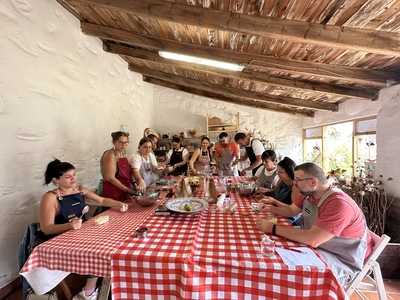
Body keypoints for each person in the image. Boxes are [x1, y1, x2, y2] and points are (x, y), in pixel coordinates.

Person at [257, 162, 375, 287]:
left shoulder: (338, 203)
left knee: (280, 274)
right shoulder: (310, 195)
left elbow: (313, 239)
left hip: (341, 261)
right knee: (271, 258)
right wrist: (270, 208)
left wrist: (273, 228)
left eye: (297, 180)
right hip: (317, 249)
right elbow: (292, 210)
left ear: (313, 182)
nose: (294, 183)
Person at [40, 159, 128, 300]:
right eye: (68, 177)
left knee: (113, 240)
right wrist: (70, 225)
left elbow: (101, 201)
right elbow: (46, 229)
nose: (73, 179)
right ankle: (88, 292)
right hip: (61, 240)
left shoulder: (79, 190)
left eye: (74, 174)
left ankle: (111, 281)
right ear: (56, 180)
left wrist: (119, 204)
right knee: (100, 249)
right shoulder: (50, 198)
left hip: (82, 234)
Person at [100, 131, 135, 201]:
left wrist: (134, 184)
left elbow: (127, 174)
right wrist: (127, 190)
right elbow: (110, 178)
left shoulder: (123, 154)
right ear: (114, 142)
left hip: (123, 191)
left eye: (126, 142)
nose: (123, 145)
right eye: (120, 142)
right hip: (113, 193)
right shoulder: (110, 154)